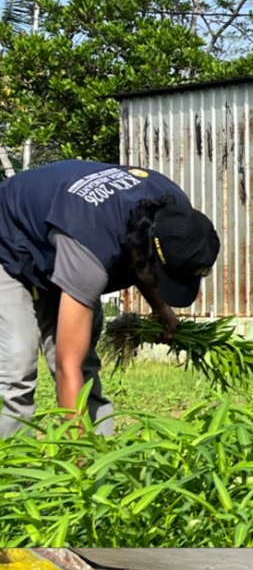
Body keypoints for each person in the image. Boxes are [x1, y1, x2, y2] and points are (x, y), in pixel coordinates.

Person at [0, 160, 219, 438]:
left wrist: (159, 306)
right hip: (7, 237)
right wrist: (81, 465)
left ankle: (102, 455)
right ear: (139, 257)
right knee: (16, 367)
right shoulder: (91, 251)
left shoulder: (174, 212)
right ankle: (13, 465)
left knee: (85, 362)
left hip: (59, 235)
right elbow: (69, 367)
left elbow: (147, 256)